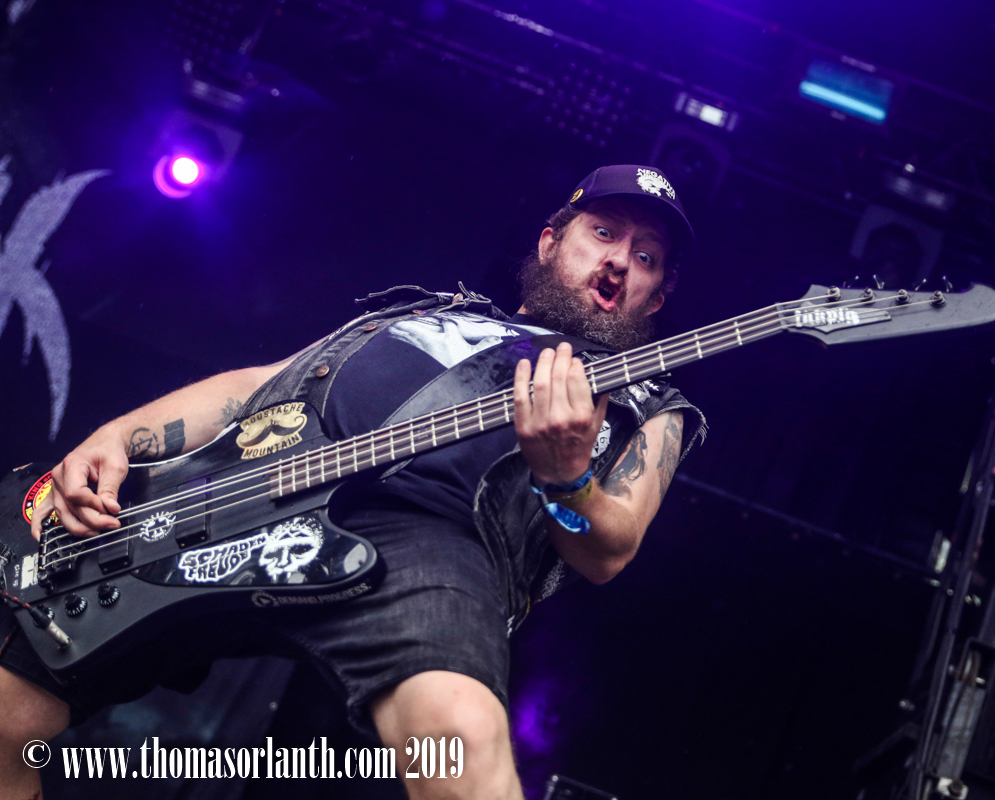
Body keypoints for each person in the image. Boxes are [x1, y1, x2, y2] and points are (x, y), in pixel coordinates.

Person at [0, 164, 704, 800]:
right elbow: (255, 388)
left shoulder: (648, 400)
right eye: (603, 233)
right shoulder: (424, 310)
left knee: (459, 744)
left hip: (431, 536)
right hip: (254, 488)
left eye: (645, 256)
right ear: (551, 242)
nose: (619, 261)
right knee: (7, 709)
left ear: (656, 297)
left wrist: (567, 477)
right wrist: (118, 436)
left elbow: (609, 549)